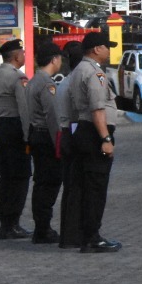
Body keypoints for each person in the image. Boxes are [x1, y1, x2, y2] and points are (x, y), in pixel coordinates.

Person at [67, 32, 122, 253]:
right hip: (94, 133)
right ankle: (93, 237)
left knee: (86, 186)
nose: (109, 51)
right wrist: (106, 139)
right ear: (96, 49)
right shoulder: (94, 73)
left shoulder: (79, 69)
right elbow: (97, 109)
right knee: (96, 188)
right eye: (107, 46)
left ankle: (86, 235)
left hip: (83, 131)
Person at [0, 39, 32, 239]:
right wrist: (27, 135)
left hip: (1, 127)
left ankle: (5, 221)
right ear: (16, 56)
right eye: (22, 53)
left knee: (5, 176)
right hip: (15, 128)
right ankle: (12, 223)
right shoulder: (17, 77)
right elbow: (24, 109)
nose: (24, 56)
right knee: (19, 177)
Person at [26, 42, 65, 243]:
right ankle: (43, 227)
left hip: (36, 134)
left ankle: (41, 226)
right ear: (54, 60)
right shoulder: (46, 84)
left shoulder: (33, 80)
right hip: (46, 137)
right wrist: (59, 142)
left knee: (41, 182)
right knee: (49, 182)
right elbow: (52, 115)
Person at [57, 41, 85, 249]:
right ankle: (74, 234)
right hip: (75, 133)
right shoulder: (76, 82)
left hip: (66, 132)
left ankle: (69, 234)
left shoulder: (65, 82)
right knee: (77, 187)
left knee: (71, 187)